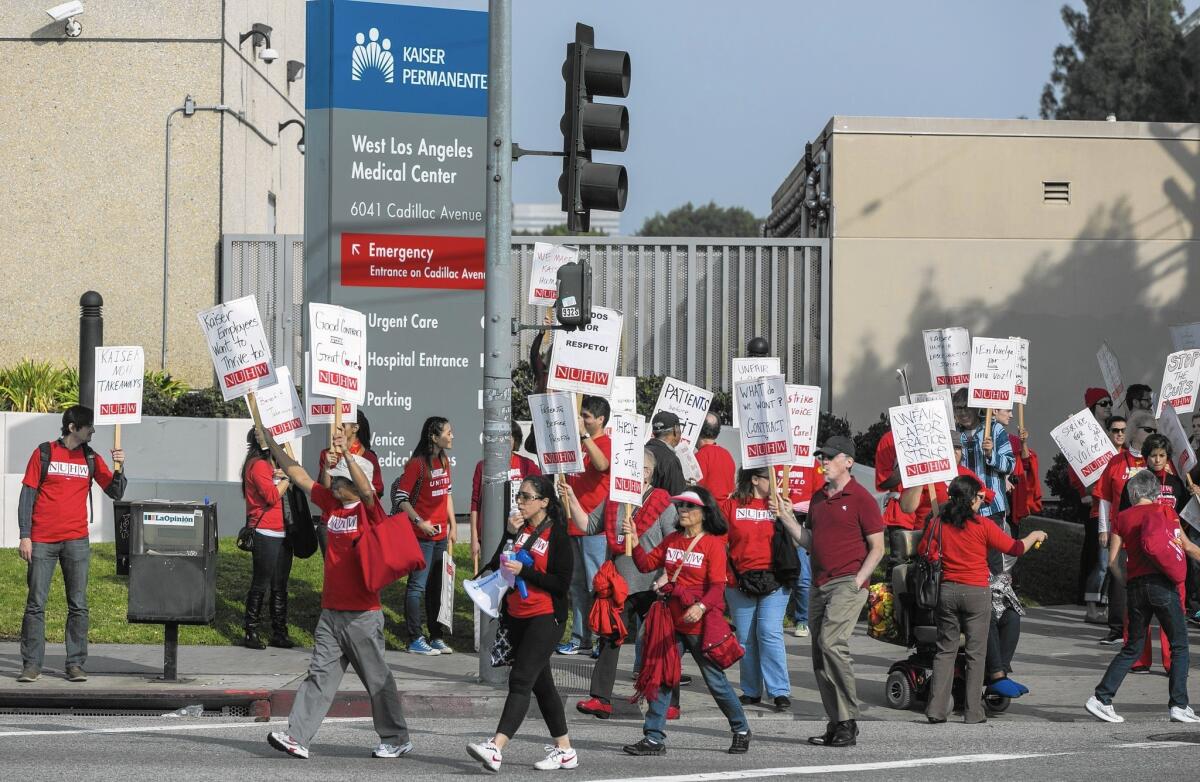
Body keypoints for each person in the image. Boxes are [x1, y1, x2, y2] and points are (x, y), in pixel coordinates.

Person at [264, 431, 413, 760]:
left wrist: (346, 455)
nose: (333, 484)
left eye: (341, 480)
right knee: (318, 676)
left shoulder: (370, 512)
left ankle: (396, 737)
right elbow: (298, 474)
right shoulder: (332, 505)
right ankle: (297, 737)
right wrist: (271, 442)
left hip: (363, 615)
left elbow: (367, 491)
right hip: (331, 613)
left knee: (377, 681)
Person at [621, 487, 751, 756]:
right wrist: (633, 540)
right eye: (680, 506)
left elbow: (717, 588)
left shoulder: (713, 544)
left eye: (689, 507)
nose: (682, 511)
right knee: (663, 677)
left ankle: (740, 729)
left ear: (704, 512)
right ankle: (654, 738)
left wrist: (701, 607)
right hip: (671, 622)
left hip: (700, 624)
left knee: (716, 682)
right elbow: (645, 565)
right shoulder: (671, 540)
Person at [467, 475, 578, 772]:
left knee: (520, 680)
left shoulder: (557, 535)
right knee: (543, 687)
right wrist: (507, 535)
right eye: (519, 496)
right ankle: (565, 750)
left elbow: (561, 583)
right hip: (517, 616)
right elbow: (495, 566)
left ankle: (496, 747)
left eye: (527, 497)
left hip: (545, 617)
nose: (520, 502)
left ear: (544, 502)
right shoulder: (520, 529)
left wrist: (526, 572)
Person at [923, 475, 1047, 724]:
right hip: (976, 593)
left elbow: (924, 552)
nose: (981, 501)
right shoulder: (983, 525)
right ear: (970, 499)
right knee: (975, 654)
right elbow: (1015, 549)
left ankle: (936, 710)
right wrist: (1034, 535)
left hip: (946, 592)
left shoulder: (937, 523)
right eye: (979, 497)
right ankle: (972, 712)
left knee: (945, 651)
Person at [566, 450, 680, 719]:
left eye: (632, 467)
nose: (625, 471)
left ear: (647, 472)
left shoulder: (662, 502)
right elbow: (587, 524)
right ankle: (601, 699)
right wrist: (571, 497)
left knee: (660, 643)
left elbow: (674, 542)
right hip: (619, 583)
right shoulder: (614, 498)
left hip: (652, 582)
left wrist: (667, 576)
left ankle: (669, 702)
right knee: (609, 638)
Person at [17, 405, 126, 683]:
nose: (92, 430)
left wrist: (119, 466)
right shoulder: (44, 453)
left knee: (78, 605)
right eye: (88, 425)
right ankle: (32, 665)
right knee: (35, 604)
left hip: (77, 541)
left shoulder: (91, 457)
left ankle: (75, 664)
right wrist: (25, 535)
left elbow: (115, 491)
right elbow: (27, 494)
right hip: (41, 540)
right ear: (72, 428)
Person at [1086, 469, 1200, 724]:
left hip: (1136, 588)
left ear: (1134, 492)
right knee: (1179, 644)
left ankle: (1101, 698)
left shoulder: (1122, 517)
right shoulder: (1166, 512)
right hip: (1163, 586)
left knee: (1133, 646)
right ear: (1155, 492)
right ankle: (1179, 705)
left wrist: (1129, 582)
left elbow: (1114, 562)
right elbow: (1189, 547)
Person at [803, 435, 884, 748]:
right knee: (820, 656)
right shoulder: (818, 498)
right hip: (819, 583)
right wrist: (785, 518)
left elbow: (877, 548)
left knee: (831, 642)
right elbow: (810, 541)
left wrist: (858, 580)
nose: (823, 461)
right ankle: (836, 722)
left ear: (848, 462)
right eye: (821, 456)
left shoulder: (861, 498)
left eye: (830, 457)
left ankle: (849, 719)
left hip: (847, 581)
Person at [1115, 433, 1188, 673]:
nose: (1157, 460)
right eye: (1152, 456)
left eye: (1161, 456)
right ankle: (1139, 659)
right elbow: (1123, 517)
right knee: (1137, 611)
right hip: (1139, 552)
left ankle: (1170, 661)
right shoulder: (1135, 483)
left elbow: (1187, 517)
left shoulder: (1177, 484)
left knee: (1174, 608)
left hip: (1169, 552)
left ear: (1168, 458)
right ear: (1145, 458)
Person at [722, 468, 792, 711]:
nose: (777, 483)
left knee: (769, 632)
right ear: (754, 480)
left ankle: (779, 691)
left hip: (776, 579)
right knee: (745, 637)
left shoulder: (780, 505)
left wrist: (786, 513)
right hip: (740, 580)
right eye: (771, 478)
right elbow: (719, 540)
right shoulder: (731, 505)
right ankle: (751, 690)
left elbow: (795, 538)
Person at [391, 416, 456, 656]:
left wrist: (452, 525)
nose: (452, 436)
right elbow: (401, 498)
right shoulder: (417, 464)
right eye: (448, 433)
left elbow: (447, 493)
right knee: (417, 586)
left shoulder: (444, 460)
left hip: (440, 536)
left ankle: (436, 636)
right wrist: (420, 522)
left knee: (436, 588)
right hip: (420, 536)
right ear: (434, 437)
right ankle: (415, 639)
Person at [559, 395, 613, 656]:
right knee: (577, 585)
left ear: (600, 419)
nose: (582, 420)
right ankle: (581, 639)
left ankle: (603, 637)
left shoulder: (604, 443)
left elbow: (603, 465)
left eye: (587, 417)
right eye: (581, 416)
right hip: (572, 525)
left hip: (595, 528)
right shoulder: (577, 443)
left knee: (597, 585)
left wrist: (584, 437)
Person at [1096, 409, 1155, 644]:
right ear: (1134, 432)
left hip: (1150, 531)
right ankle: (1117, 628)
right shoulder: (1117, 461)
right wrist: (1103, 528)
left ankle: (1143, 628)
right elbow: (1105, 496)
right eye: (1148, 430)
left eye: (1155, 431)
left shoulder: (1158, 460)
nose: (1152, 434)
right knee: (1119, 576)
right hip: (1122, 530)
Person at [240, 427, 294, 650]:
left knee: (279, 584)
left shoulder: (268, 466)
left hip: (280, 530)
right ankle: (251, 631)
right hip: (265, 531)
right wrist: (288, 478)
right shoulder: (259, 465)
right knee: (261, 583)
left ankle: (279, 631)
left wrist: (281, 474)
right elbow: (271, 496)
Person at [469, 419, 540, 565]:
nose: (504, 442)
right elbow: (476, 503)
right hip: (490, 532)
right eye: (500, 438)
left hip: (521, 530)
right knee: (492, 573)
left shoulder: (527, 465)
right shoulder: (482, 466)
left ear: (516, 440)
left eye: (509, 437)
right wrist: (474, 538)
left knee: (516, 574)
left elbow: (540, 497)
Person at [1081, 415, 1125, 623]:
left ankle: (1108, 608)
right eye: (1115, 430)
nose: (1119, 434)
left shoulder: (1127, 457)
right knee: (1101, 565)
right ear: (1108, 432)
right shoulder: (1099, 455)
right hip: (1102, 516)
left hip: (1122, 519)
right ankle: (1090, 607)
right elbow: (1091, 488)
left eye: (1123, 430)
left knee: (1114, 565)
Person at [952, 389, 1014, 532]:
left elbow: (1010, 465)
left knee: (993, 553)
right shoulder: (954, 433)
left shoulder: (994, 429)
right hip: (964, 507)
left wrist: (991, 455)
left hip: (992, 507)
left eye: (966, 407)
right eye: (958, 408)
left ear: (975, 407)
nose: (962, 413)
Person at [318, 410, 384, 499]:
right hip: (334, 509)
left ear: (355, 428)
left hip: (359, 509)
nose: (338, 428)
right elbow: (324, 491)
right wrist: (327, 467)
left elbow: (376, 493)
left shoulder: (369, 457)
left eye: (342, 424)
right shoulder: (327, 454)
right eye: (335, 424)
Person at [695, 412, 736, 499]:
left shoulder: (700, 456)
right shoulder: (727, 454)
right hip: (725, 510)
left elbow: (696, 490)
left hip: (708, 510)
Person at [645, 411, 687, 496]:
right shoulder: (670, 460)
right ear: (675, 430)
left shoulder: (642, 452)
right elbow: (677, 497)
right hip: (661, 509)